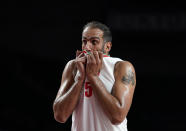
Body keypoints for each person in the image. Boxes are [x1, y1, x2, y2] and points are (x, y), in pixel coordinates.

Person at [53, 21, 136, 131]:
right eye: (84, 41)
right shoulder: (73, 66)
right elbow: (60, 115)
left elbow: (117, 116)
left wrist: (93, 77)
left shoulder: (121, 67)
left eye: (94, 42)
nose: (87, 47)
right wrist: (79, 79)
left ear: (107, 46)